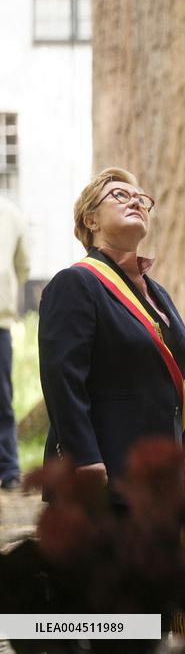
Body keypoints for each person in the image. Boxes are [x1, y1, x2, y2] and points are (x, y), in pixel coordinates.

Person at [39, 168, 185, 502]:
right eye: (120, 195)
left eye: (141, 199)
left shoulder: (157, 292)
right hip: (104, 475)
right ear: (90, 220)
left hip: (158, 477)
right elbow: (61, 379)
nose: (135, 201)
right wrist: (84, 457)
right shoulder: (75, 283)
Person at [0, 195, 30, 491]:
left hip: (0, 322)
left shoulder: (10, 213)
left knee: (2, 399)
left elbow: (23, 265)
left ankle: (8, 469)